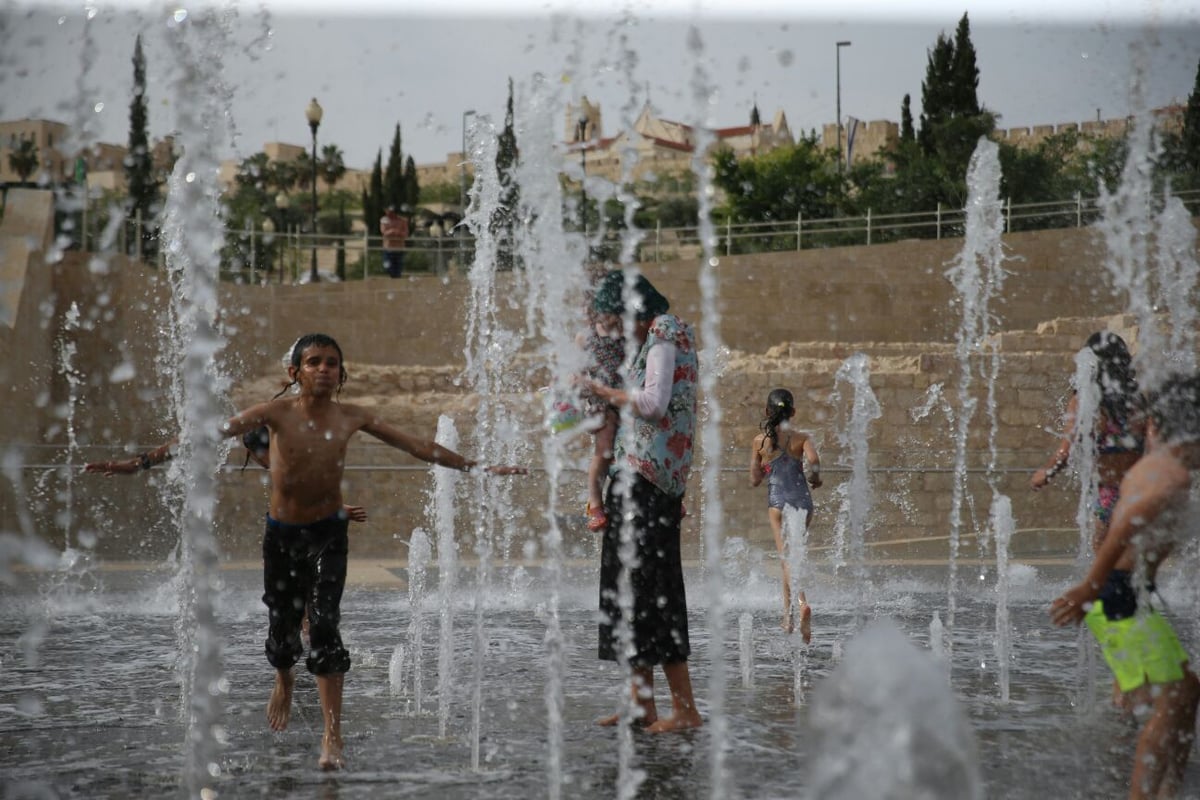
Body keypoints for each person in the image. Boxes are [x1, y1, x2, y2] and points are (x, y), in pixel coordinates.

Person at [86, 333, 525, 771]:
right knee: (282, 631)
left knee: (326, 627)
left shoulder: (352, 416)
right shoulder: (273, 414)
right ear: (294, 373)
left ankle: (332, 734)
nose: (323, 369)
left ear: (341, 373)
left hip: (329, 534)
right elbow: (202, 438)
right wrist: (138, 463)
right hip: (282, 536)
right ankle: (283, 678)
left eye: (331, 362)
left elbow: (417, 446)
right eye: (313, 362)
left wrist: (478, 467)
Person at [1050, 372, 1200, 800]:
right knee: (1173, 700)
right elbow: (1121, 532)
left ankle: (1166, 788)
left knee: (1185, 692)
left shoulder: (1161, 464)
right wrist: (1088, 589)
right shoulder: (1170, 477)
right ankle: (1143, 793)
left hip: (1128, 591)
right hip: (1117, 593)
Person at [586, 269, 702, 733]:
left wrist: (606, 393)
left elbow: (654, 405)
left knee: (655, 595)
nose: (620, 330)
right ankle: (641, 704)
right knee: (629, 594)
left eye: (620, 319)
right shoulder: (655, 339)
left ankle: (685, 710)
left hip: (648, 487)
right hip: (635, 481)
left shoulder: (664, 332)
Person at [1031, 332, 1145, 554]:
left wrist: (1046, 473)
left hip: (1109, 496)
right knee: (1135, 568)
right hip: (1141, 492)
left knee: (1105, 570)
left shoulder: (1085, 401)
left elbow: (1066, 451)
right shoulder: (1137, 400)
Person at [749, 388, 822, 641]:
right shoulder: (802, 437)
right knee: (790, 559)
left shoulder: (760, 441)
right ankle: (788, 618)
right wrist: (816, 478)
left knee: (786, 559)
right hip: (803, 503)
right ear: (793, 412)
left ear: (767, 411)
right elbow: (813, 462)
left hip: (777, 504)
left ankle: (801, 604)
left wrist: (764, 465)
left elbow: (755, 478)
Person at [579, 309, 625, 532]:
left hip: (627, 399)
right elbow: (574, 369)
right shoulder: (586, 336)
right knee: (604, 449)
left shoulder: (628, 330)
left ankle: (665, 492)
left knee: (646, 443)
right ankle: (595, 503)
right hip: (602, 402)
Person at [380, 206, 409, 278]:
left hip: (399, 249)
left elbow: (405, 233)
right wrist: (392, 231)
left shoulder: (402, 220)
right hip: (388, 249)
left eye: (390, 212)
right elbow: (384, 232)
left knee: (398, 270)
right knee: (387, 266)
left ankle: (396, 285)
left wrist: (398, 232)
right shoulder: (384, 220)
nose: (388, 213)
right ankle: (393, 279)